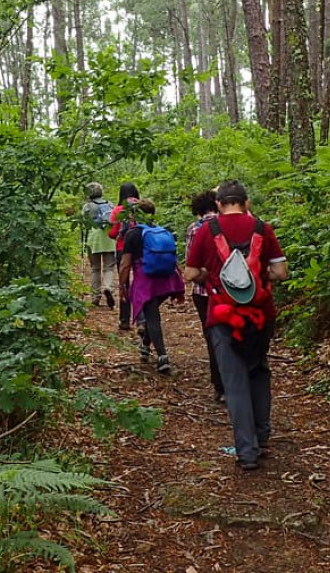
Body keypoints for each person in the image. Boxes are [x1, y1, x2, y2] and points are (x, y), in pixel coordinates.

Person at [184, 180, 288, 471]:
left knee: (235, 382)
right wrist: (257, 276)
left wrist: (211, 275)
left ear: (218, 204)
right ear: (246, 202)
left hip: (223, 315)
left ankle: (247, 452)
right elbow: (281, 271)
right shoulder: (262, 229)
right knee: (258, 370)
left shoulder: (207, 230)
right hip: (260, 314)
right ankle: (263, 435)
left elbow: (190, 272)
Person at [118, 198, 185, 374]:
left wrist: (122, 286)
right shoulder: (162, 231)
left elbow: (125, 264)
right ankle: (145, 345)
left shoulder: (133, 234)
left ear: (134, 215)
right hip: (167, 280)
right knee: (151, 314)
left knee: (152, 317)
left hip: (146, 281)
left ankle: (163, 358)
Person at [186, 190, 225, 402]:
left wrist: (206, 276)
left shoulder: (194, 229)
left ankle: (219, 385)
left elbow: (191, 266)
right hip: (229, 290)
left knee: (212, 336)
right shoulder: (228, 225)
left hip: (202, 291)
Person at [108, 182, 140, 330]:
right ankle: (142, 319)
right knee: (141, 282)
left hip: (122, 249)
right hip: (141, 249)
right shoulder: (142, 207)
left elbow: (112, 233)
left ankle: (125, 320)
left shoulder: (117, 211)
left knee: (124, 282)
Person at [81, 182, 116, 308]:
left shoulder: (87, 207)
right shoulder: (110, 204)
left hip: (93, 238)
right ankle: (107, 287)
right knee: (109, 267)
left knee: (95, 268)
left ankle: (95, 296)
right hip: (108, 237)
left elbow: (84, 223)